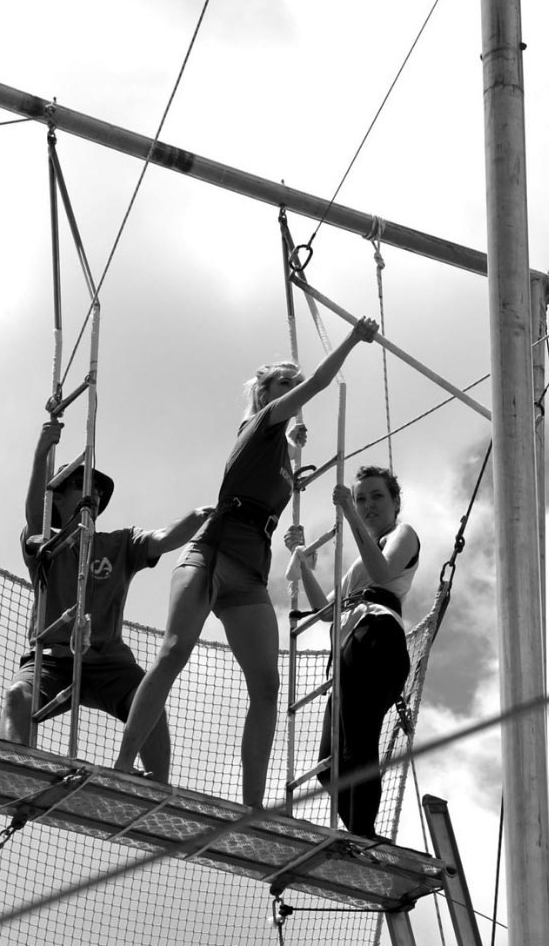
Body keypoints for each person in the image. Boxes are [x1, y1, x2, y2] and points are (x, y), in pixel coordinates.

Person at [114, 317, 380, 806]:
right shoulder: (258, 424)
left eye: (294, 385)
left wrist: (293, 466)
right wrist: (352, 338)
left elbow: (275, 479)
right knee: (174, 651)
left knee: (268, 685)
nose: (295, 389)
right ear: (264, 395)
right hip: (211, 553)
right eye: (285, 384)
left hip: (251, 572)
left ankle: (252, 806)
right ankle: (124, 764)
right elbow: (321, 383)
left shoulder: (282, 452)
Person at [0, 418, 211, 779]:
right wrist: (41, 453)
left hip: (109, 662)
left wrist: (199, 517)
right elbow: (35, 513)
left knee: (150, 703)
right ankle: (15, 770)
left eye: (97, 490)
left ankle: (157, 787)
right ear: (60, 497)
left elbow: (161, 538)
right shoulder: (43, 544)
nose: (93, 495)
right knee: (18, 697)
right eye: (83, 486)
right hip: (52, 659)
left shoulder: (120, 544)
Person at [284, 466, 418, 837]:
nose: (368, 505)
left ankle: (364, 830)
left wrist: (346, 513)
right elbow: (326, 612)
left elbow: (382, 571)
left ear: (395, 503)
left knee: (358, 742)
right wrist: (303, 562)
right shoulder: (363, 556)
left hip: (377, 638)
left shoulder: (402, 534)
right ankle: (359, 830)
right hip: (352, 643)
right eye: (361, 499)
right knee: (329, 763)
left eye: (376, 496)